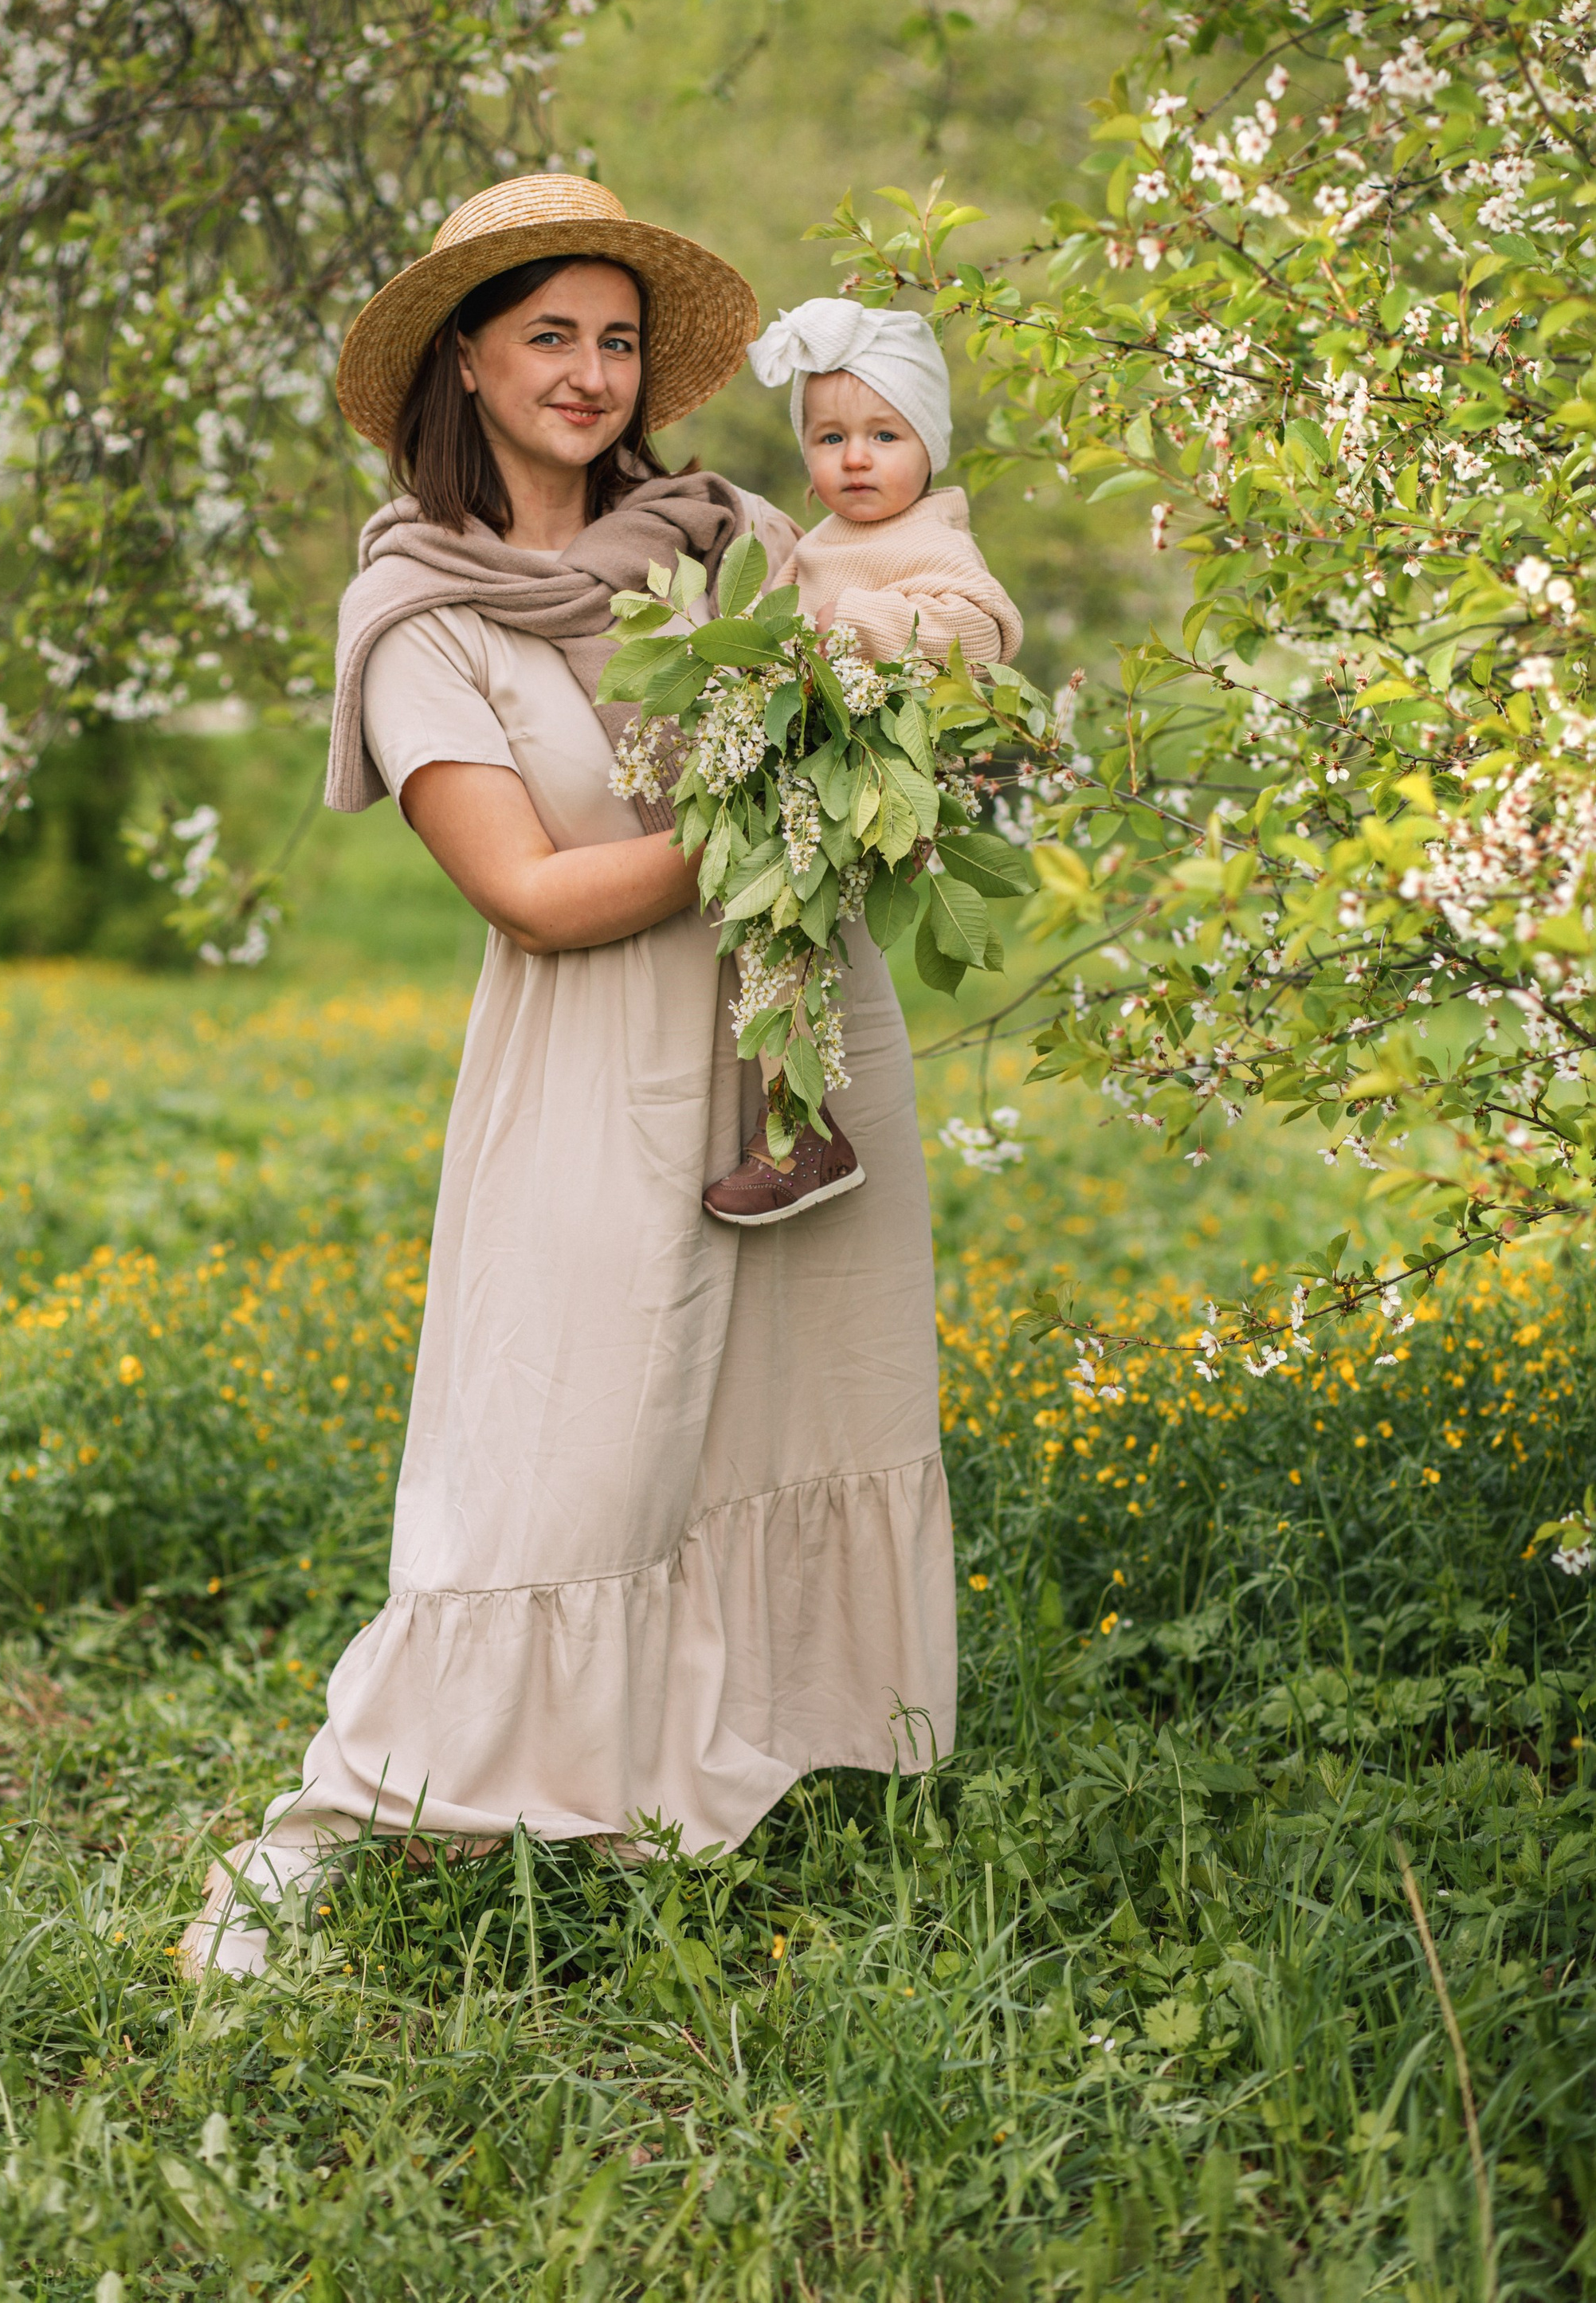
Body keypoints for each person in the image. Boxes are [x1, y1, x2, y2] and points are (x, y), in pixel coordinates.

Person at [179, 177, 956, 1978]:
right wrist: (766, 803)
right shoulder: (421, 614)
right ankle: (387, 1799)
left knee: (785, 1393)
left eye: (616, 340)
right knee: (564, 1447)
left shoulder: (724, 533)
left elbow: (903, 610)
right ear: (464, 353)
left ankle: (712, 1770)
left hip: (787, 1047)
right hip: (594, 1060)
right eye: (549, 335)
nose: (590, 373)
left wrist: (916, 735)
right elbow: (529, 896)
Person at [700, 298, 1023, 1233]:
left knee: (788, 934)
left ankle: (799, 1131)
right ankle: (796, 1123)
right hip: (811, 772)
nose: (854, 457)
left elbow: (982, 628)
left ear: (929, 446)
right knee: (771, 939)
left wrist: (853, 628)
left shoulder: (929, 537)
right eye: (829, 435)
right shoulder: (820, 542)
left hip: (867, 783)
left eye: (884, 433)